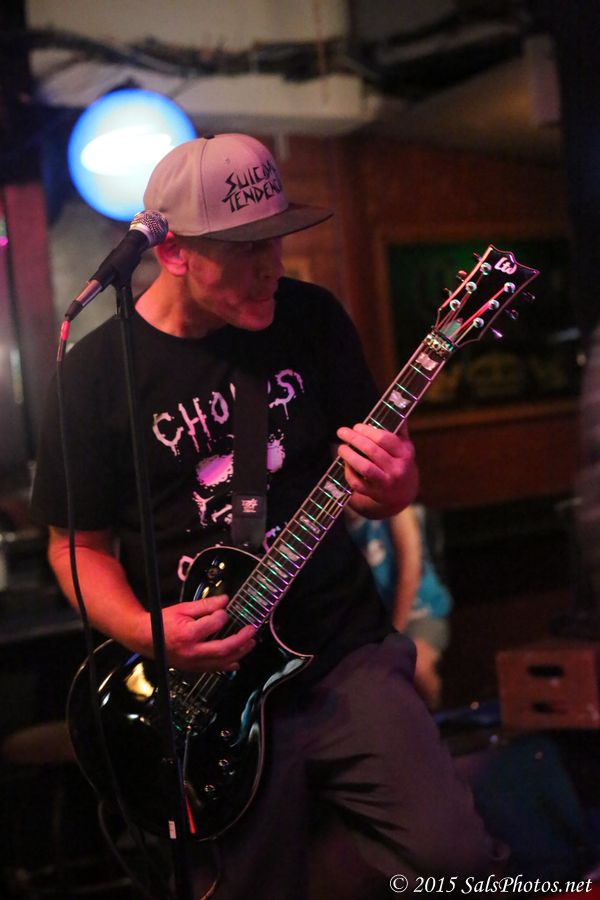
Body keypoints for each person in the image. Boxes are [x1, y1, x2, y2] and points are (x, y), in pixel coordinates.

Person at [31, 133, 499, 898]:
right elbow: (75, 548)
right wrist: (145, 631)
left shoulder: (309, 319)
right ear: (174, 252)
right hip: (207, 693)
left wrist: (397, 484)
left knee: (458, 862)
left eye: (276, 240)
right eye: (246, 249)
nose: (272, 266)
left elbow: (380, 482)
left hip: (340, 652)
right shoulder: (93, 377)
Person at [347, 504, 452, 709]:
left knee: (416, 666)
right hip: (374, 624)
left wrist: (392, 636)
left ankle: (436, 720)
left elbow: (410, 574)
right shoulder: (334, 526)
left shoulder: (396, 510)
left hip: (419, 614)